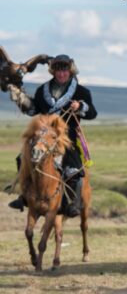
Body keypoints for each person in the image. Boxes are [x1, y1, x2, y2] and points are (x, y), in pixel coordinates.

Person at [7, 55, 97, 217]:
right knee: (22, 159)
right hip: (43, 137)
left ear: (70, 71)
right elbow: (34, 110)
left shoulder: (82, 91)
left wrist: (80, 106)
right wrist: (21, 99)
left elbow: (92, 113)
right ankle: (24, 197)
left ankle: (72, 203)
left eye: (64, 70)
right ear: (53, 72)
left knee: (74, 171)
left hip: (67, 139)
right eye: (58, 70)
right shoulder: (43, 90)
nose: (61, 73)